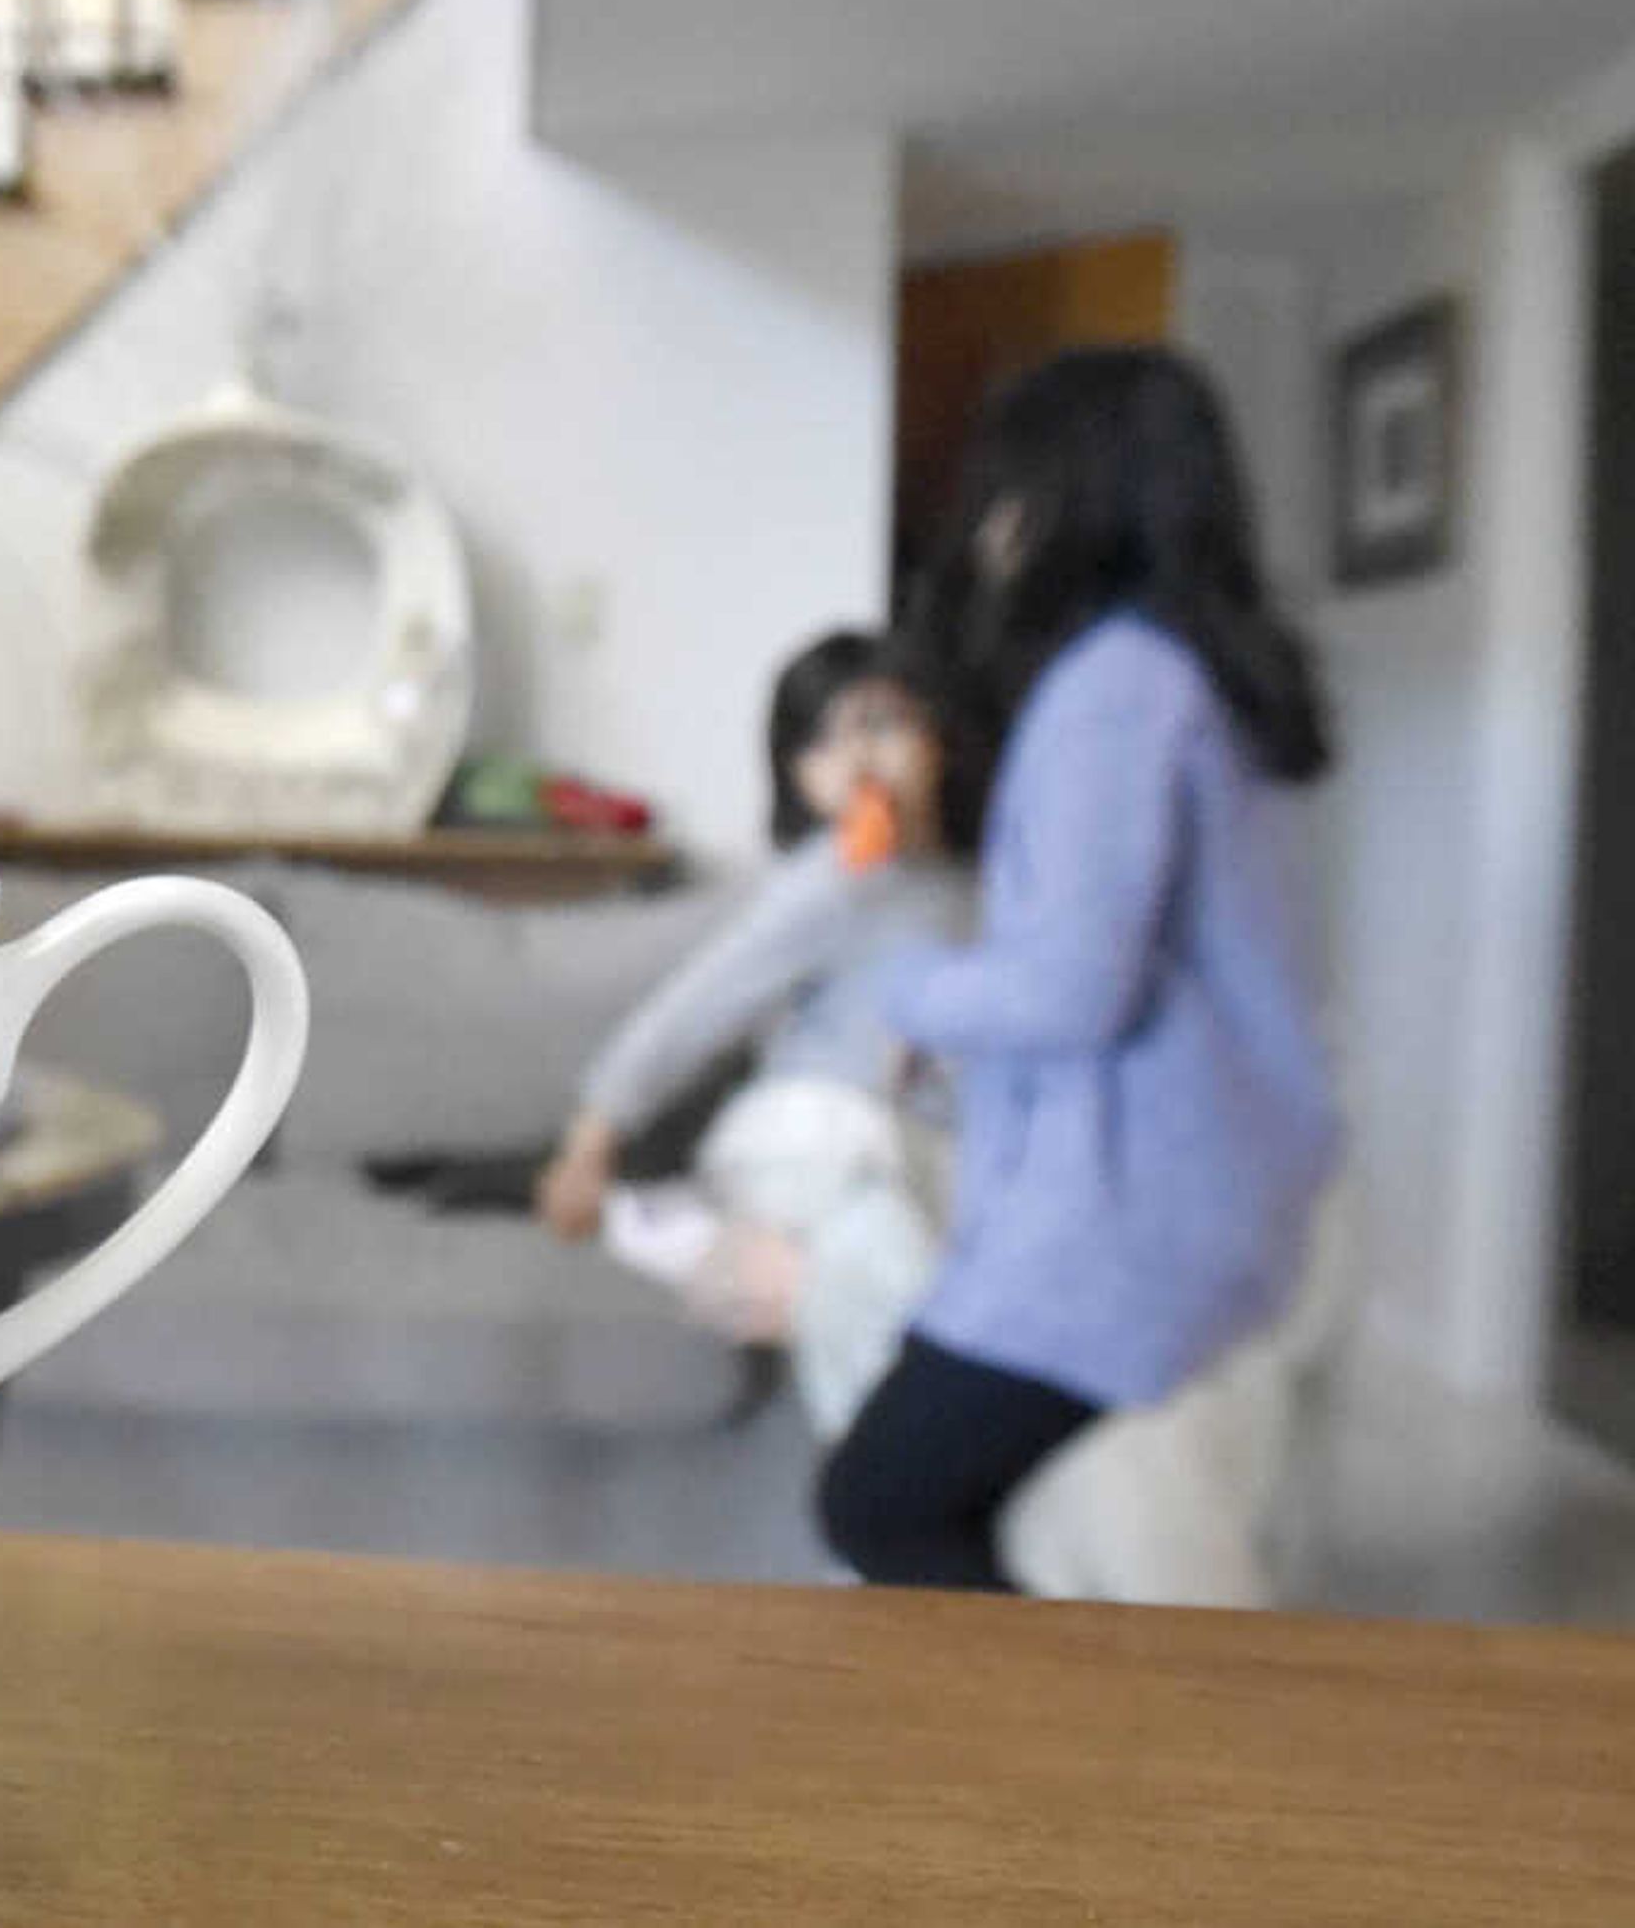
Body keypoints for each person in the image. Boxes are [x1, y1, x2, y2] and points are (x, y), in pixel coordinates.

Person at [816, 346, 1340, 1592]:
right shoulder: (1191, 678)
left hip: (1129, 1217)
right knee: (907, 1493)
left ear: (1068, 496)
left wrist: (909, 992)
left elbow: (1068, 987)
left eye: (1004, 490)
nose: (987, 528)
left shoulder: (1115, 686)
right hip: (1212, 1181)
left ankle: (1047, 1774)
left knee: (878, 1502)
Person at [532, 631, 971, 1430]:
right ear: (797, 777)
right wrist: (588, 1143)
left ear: (936, 736)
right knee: (880, 1256)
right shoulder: (831, 882)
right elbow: (696, 1007)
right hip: (815, 1130)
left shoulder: (978, 888)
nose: (855, 757)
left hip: (927, 1145)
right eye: (821, 741)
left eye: (880, 722)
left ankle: (719, 1245)